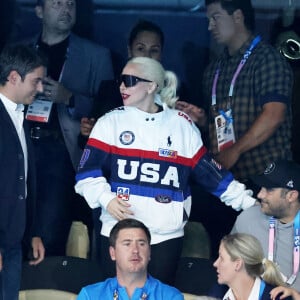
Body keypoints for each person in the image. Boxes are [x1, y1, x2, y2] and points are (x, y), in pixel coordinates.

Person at [75, 56, 256, 284]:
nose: (122, 86)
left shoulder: (181, 125)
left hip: (165, 237)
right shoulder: (109, 123)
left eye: (129, 80)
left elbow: (211, 175)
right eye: (121, 81)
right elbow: (85, 173)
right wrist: (106, 198)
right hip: (118, 232)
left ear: (152, 86)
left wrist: (250, 204)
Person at [176, 0, 294, 259]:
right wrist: (204, 120)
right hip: (226, 182)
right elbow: (224, 122)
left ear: (238, 16)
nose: (210, 26)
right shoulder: (215, 69)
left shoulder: (267, 59)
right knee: (228, 255)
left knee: (265, 256)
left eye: (216, 18)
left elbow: (274, 114)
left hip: (265, 180)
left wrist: (236, 151)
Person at [23, 0, 114, 256]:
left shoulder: (96, 55)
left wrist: (69, 97)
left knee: (50, 230)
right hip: (22, 145)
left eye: (71, 4)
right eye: (57, 3)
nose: (66, 9)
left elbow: (109, 110)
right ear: (39, 11)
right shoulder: (19, 50)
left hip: (63, 150)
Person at [0, 44, 46, 300]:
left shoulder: (20, 115)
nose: (40, 89)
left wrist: (33, 231)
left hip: (14, 240)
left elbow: (25, 181)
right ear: (14, 77)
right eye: (36, 81)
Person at [79, 19, 164, 148]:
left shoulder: (173, 92)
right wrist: (87, 132)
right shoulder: (109, 90)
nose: (147, 56)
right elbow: (85, 144)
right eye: (140, 48)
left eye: (154, 50)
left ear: (161, 54)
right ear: (129, 51)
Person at [231, 159, 300, 291]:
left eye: (269, 190)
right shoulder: (247, 219)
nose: (259, 194)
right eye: (262, 187)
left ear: (291, 196)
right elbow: (228, 266)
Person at [77, 219, 184, 300]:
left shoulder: (170, 297)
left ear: (149, 252)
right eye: (127, 244)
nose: (135, 250)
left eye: (141, 244)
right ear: (112, 253)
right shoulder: (90, 295)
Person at [214, 233, 291, 300]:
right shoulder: (216, 293)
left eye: (222, 258)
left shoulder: (278, 297)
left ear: (237, 264)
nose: (215, 264)